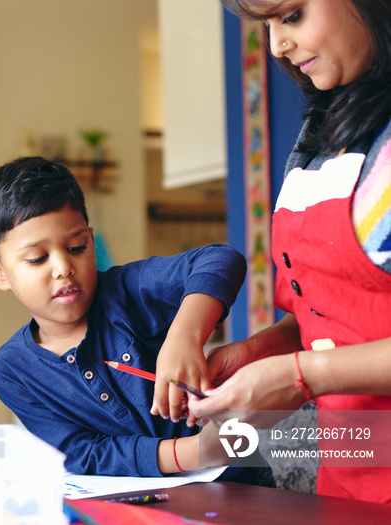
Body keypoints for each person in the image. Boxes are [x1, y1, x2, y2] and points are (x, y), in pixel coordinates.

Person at [189, 0, 391, 503]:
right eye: (269, 25)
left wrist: (299, 376)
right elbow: (328, 316)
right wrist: (258, 353)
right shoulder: (321, 136)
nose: (278, 45)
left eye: (293, 15)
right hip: (356, 468)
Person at [0, 156, 273, 485]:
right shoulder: (11, 369)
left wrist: (184, 338)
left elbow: (220, 259)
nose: (63, 268)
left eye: (76, 247)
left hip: (237, 485)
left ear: (90, 238)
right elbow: (82, 453)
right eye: (37, 258)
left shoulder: (129, 290)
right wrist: (195, 450)